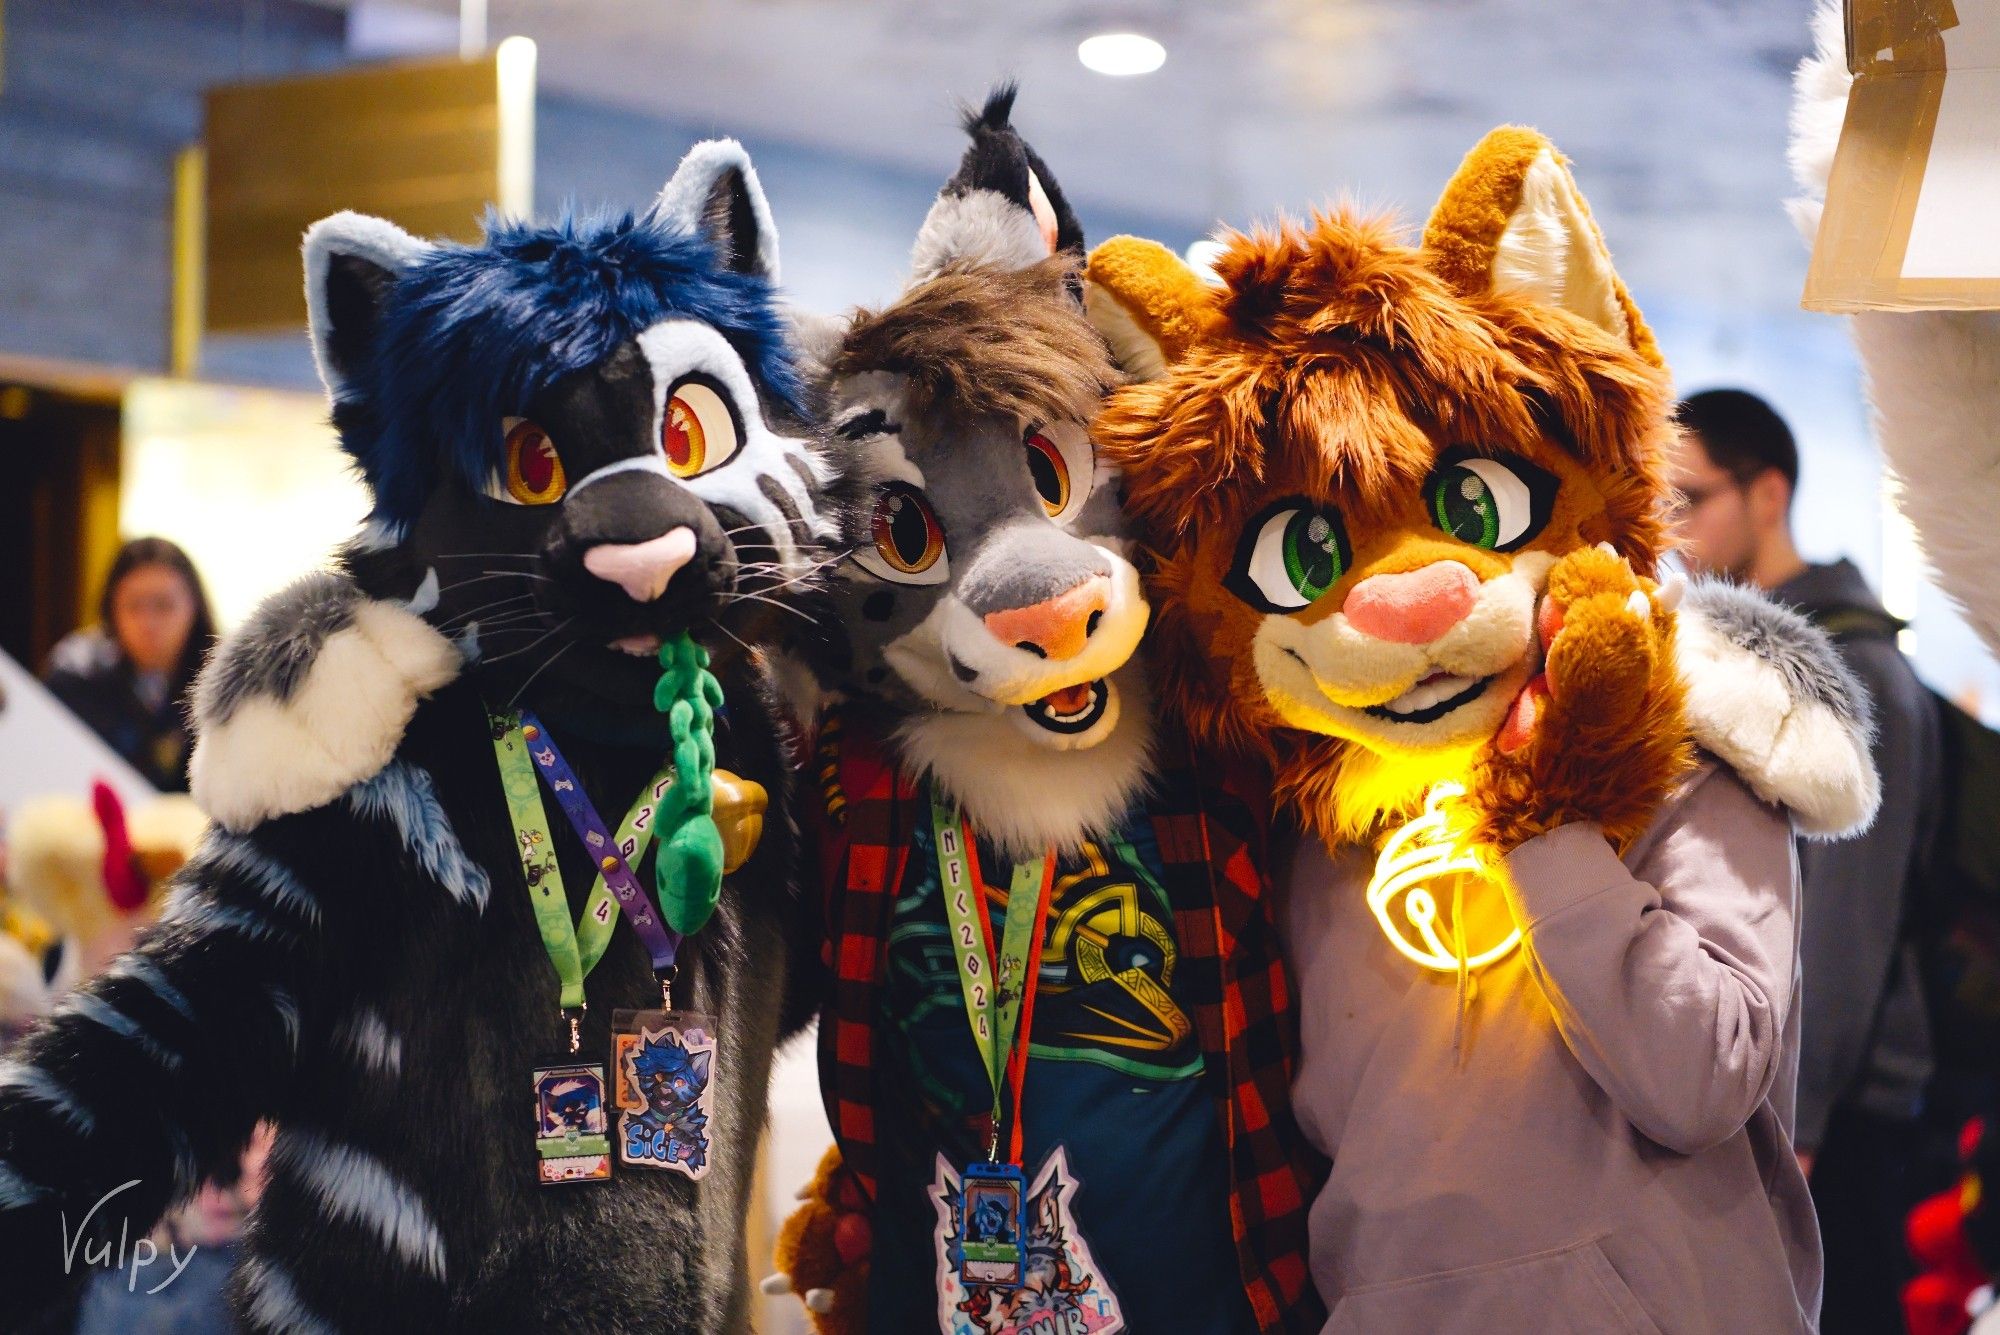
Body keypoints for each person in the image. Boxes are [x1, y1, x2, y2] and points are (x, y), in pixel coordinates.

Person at [1675, 386, 1945, 1335]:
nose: (1675, 534)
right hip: (1772, 1093)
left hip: (1843, 1109)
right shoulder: (1733, 660)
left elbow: (1849, 922)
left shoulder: (1855, 668)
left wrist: (1807, 1119)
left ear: (1767, 492)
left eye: (1690, 499)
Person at [42, 536, 216, 791]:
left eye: (164, 605)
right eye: (134, 607)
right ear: (111, 610)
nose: (149, 624)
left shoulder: (223, 683)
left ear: (194, 608)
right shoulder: (77, 674)